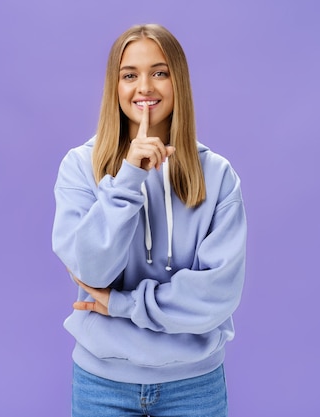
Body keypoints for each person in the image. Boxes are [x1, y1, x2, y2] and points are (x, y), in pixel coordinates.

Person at [52, 23, 247, 417]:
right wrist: (129, 177)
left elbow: (217, 296)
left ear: (179, 82)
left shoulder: (218, 175)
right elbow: (91, 270)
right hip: (101, 384)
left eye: (159, 72)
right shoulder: (79, 167)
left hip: (194, 386)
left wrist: (124, 305)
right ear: (115, 86)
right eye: (130, 75)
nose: (145, 87)